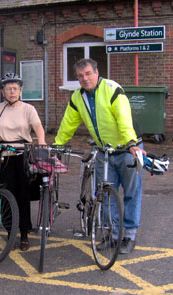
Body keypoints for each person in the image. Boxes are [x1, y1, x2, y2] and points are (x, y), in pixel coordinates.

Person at [54, 58, 145, 254]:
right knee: (104, 195)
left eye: (88, 73)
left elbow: (123, 117)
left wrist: (130, 142)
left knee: (131, 193)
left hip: (128, 149)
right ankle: (112, 235)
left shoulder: (112, 89)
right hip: (104, 151)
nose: (84, 79)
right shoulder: (78, 97)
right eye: (80, 76)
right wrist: (57, 145)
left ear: (96, 72)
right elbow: (68, 123)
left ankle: (129, 235)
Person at [0, 73, 46, 251]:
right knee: (6, 194)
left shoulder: (28, 109)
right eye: (8, 89)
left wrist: (42, 141)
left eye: (15, 88)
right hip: (3, 155)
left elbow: (38, 127)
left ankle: (24, 234)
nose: (12, 91)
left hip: (23, 155)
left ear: (20, 91)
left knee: (23, 195)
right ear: (2, 92)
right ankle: (10, 233)